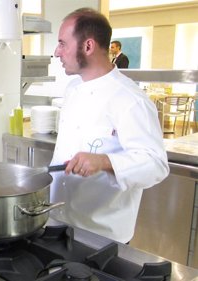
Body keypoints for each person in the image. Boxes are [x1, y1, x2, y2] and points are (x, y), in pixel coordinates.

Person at [49, 8, 169, 244]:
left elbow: (156, 164)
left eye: (62, 43)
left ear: (88, 46)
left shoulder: (131, 100)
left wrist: (105, 162)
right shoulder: (72, 89)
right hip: (58, 224)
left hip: (101, 237)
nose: (57, 52)